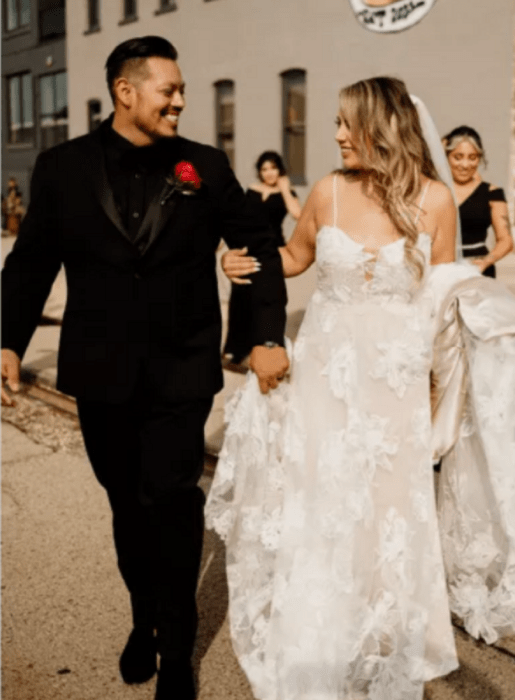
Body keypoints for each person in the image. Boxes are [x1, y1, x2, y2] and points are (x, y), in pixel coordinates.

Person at [206, 77, 515, 700]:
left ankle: (387, 633)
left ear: (384, 126)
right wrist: (237, 261)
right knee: (324, 496)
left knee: (391, 507)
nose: (339, 135)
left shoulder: (435, 200)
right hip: (326, 370)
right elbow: (293, 258)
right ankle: (322, 630)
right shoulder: (328, 191)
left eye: (349, 124)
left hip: (395, 379)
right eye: (338, 126)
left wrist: (440, 390)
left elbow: (443, 300)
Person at [1, 36, 288, 700]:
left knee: (173, 499)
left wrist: (262, 333)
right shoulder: (61, 168)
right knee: (127, 507)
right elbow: (31, 263)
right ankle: (142, 619)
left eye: (182, 90)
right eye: (170, 90)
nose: (181, 102)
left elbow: (259, 242)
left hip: (181, 371)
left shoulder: (205, 167)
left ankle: (180, 648)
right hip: (100, 373)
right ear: (125, 91)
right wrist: (8, 339)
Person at [223, 151, 301, 364]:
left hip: (273, 251)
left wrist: (285, 189)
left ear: (280, 170)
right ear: (259, 172)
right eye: (264, 169)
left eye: (273, 168)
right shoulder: (252, 190)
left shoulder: (286, 191)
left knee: (266, 298)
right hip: (249, 248)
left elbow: (298, 215)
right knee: (239, 297)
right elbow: (237, 219)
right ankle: (235, 348)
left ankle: (263, 345)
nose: (269, 173)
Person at [443, 125, 513, 277]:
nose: (465, 165)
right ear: (447, 156)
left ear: (480, 158)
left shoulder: (492, 193)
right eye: (457, 157)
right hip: (443, 269)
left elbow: (506, 240)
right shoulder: (437, 190)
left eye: (472, 157)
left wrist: (485, 262)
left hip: (478, 271)